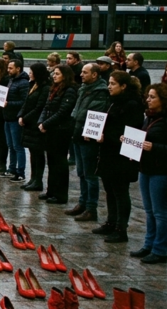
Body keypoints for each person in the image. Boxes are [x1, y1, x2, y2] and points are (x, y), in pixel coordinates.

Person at [129, 83, 167, 264]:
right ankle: (148, 244)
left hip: (162, 170)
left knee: (160, 212)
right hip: (146, 167)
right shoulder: (149, 117)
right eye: (147, 96)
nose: (148, 100)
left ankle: (160, 249)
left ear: (163, 99)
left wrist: (154, 147)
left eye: (152, 97)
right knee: (149, 211)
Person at [93, 71, 145, 243]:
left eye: (113, 83)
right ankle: (111, 221)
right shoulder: (113, 101)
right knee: (109, 189)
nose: (109, 86)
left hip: (121, 155)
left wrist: (107, 135)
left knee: (120, 191)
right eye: (109, 83)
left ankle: (121, 228)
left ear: (123, 86)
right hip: (108, 152)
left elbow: (128, 131)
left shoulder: (132, 104)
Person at [67, 63, 110, 221]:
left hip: (88, 136)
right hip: (78, 133)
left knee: (90, 174)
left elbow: (95, 113)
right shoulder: (83, 88)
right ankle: (82, 202)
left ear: (95, 75)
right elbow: (77, 110)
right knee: (81, 172)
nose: (82, 75)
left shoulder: (100, 91)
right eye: (82, 72)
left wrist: (88, 130)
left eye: (85, 73)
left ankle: (91, 207)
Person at [37, 65, 79, 205]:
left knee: (59, 162)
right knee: (52, 161)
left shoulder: (70, 90)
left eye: (57, 74)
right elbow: (47, 107)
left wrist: (46, 124)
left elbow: (63, 112)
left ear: (65, 75)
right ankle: (51, 190)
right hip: (51, 129)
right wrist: (41, 122)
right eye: (53, 74)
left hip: (61, 130)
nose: (54, 76)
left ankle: (60, 194)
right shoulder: (54, 89)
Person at [18, 64, 52, 192]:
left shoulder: (45, 88)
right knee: (33, 153)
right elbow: (26, 102)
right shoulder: (32, 85)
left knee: (38, 153)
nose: (29, 74)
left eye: (31, 72)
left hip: (35, 123)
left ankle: (38, 180)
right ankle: (33, 178)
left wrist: (25, 118)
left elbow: (39, 107)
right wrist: (21, 115)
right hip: (28, 123)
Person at [1, 60, 30, 182]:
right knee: (10, 145)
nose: (8, 70)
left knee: (18, 146)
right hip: (7, 116)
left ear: (18, 69)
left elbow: (25, 102)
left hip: (15, 117)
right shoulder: (11, 80)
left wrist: (9, 104)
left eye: (11, 68)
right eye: (8, 68)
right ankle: (11, 168)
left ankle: (20, 171)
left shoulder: (23, 83)